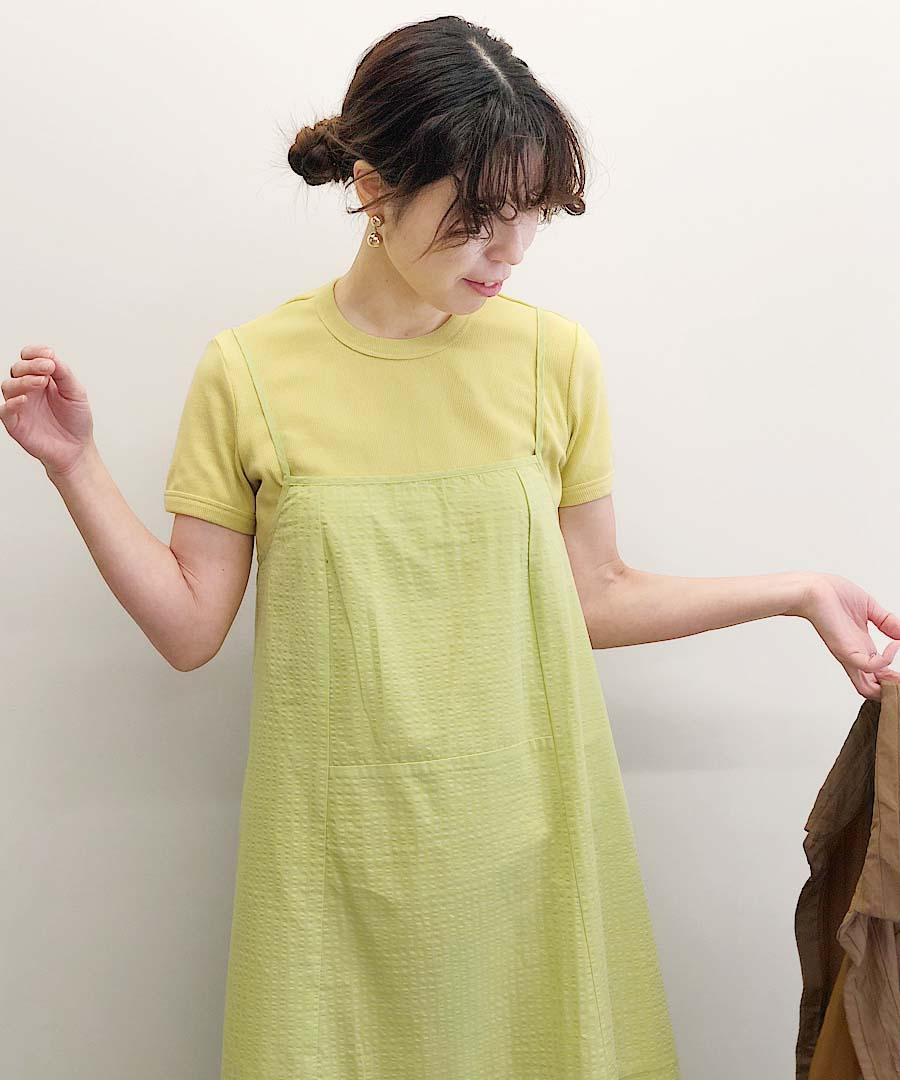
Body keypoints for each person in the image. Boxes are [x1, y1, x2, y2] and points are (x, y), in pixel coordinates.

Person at [4, 14, 899, 1080]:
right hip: (333, 881)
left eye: (531, 215)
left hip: (536, 861)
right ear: (375, 188)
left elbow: (595, 593)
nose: (509, 252)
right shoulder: (249, 372)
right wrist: (74, 466)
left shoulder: (553, 359)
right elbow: (192, 628)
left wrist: (798, 591)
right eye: (477, 218)